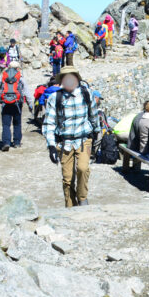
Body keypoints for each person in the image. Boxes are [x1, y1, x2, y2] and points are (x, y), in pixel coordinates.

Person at [42, 66, 99, 207]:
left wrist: (98, 134)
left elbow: (94, 116)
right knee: (67, 179)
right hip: (64, 142)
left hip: (84, 140)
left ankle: (82, 198)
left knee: (83, 168)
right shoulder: (55, 98)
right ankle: (71, 207)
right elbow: (49, 123)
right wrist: (51, 146)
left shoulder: (87, 94)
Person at [0, 61, 31, 151]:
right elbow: (26, 92)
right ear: (17, 68)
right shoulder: (20, 77)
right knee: (17, 123)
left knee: (6, 124)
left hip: (5, 104)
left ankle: (6, 142)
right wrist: (30, 104)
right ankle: (17, 143)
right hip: (17, 103)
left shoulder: (3, 76)